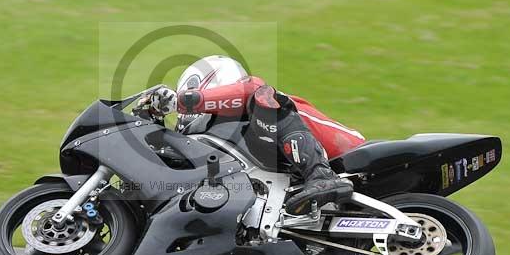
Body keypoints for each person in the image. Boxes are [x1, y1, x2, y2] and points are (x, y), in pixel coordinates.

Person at [142, 55, 363, 214]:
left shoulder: (257, 98)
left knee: (262, 99)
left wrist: (181, 102)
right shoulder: (237, 134)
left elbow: (250, 88)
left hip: (353, 157)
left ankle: (321, 175)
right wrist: (149, 124)